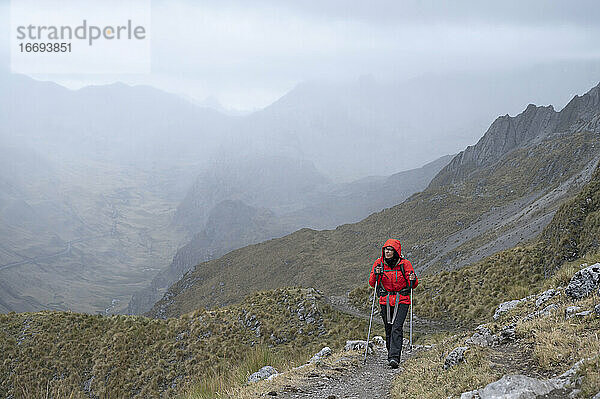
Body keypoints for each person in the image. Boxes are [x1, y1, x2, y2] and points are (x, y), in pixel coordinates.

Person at [369, 238, 418, 369]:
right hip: (385, 300)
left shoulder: (405, 264)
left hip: (402, 299)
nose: (387, 252)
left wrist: (413, 279)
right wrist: (376, 273)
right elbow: (372, 283)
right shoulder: (379, 264)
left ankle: (394, 357)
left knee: (397, 326)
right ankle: (391, 354)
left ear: (396, 251)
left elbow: (414, 283)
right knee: (388, 328)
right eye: (386, 249)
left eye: (390, 250)